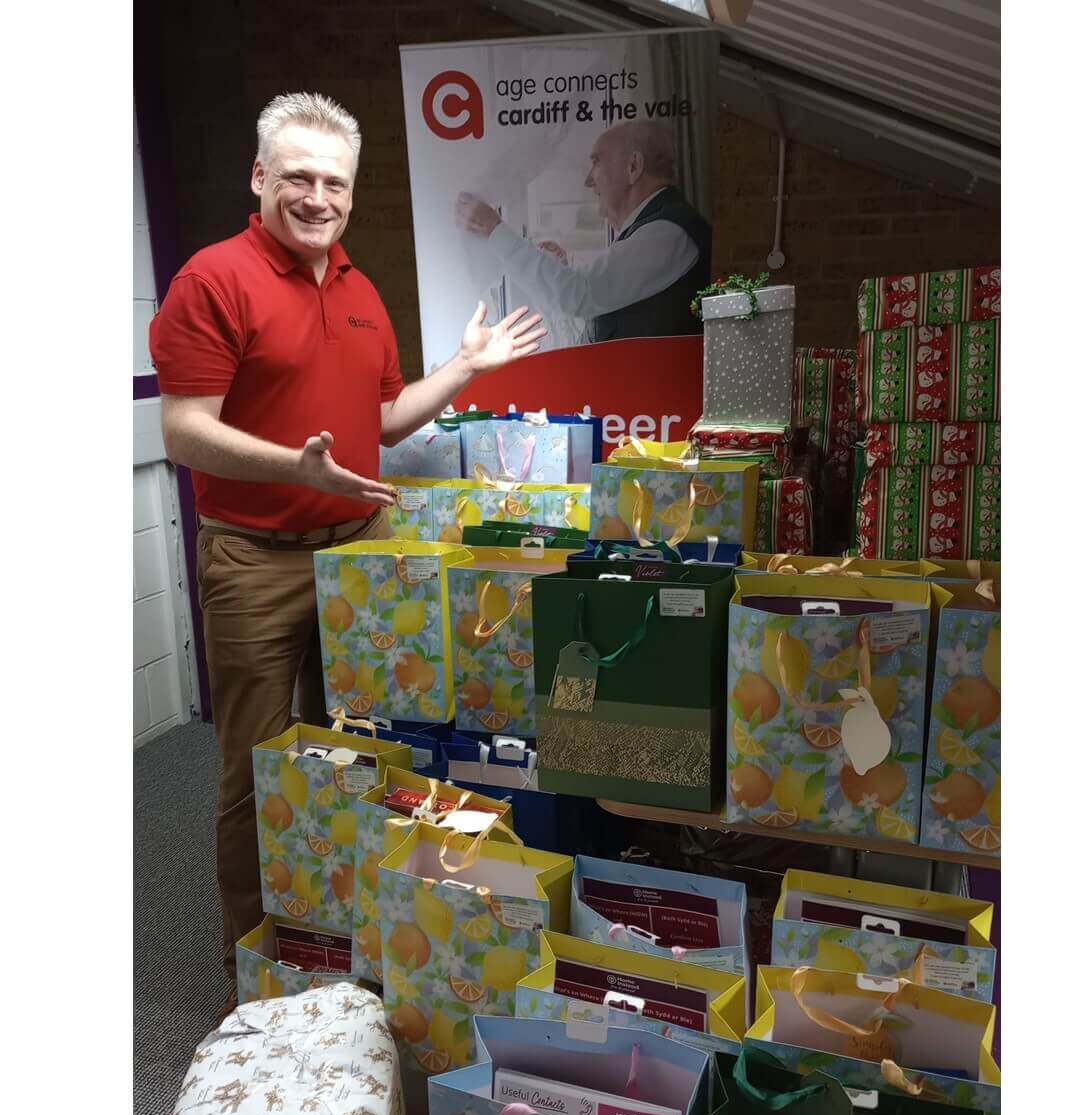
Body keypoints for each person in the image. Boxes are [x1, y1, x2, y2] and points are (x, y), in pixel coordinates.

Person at [150, 91, 545, 1012]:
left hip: (360, 547)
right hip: (254, 557)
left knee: (371, 743)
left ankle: (361, 929)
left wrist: (464, 370)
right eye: (297, 176)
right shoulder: (212, 280)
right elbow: (182, 429)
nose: (316, 196)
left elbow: (378, 418)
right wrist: (299, 467)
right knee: (259, 764)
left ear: (351, 194)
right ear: (260, 178)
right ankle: (254, 963)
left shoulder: (361, 292)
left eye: (333, 182)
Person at [454, 120, 711, 343]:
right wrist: (565, 267)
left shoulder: (666, 233)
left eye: (596, 162)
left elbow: (579, 294)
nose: (588, 180)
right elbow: (601, 302)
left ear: (633, 166)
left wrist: (494, 230)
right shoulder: (660, 229)